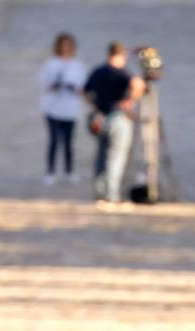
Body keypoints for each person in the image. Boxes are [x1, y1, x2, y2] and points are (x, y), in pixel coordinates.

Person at [83, 41, 145, 207]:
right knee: (116, 157)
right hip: (118, 118)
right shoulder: (122, 72)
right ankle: (112, 195)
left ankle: (100, 193)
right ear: (122, 55)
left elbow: (85, 91)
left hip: (99, 118)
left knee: (102, 156)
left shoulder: (98, 71)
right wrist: (131, 101)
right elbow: (137, 84)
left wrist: (95, 106)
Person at [40, 32, 86, 185]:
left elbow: (83, 87)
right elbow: (43, 85)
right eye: (63, 45)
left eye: (69, 45)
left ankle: (69, 171)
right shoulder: (51, 64)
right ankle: (50, 172)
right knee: (54, 140)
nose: (66, 48)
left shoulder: (77, 65)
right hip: (53, 108)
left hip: (70, 109)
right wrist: (55, 84)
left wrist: (74, 87)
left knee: (68, 142)